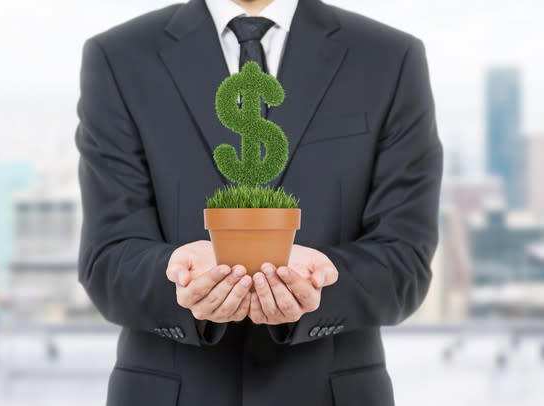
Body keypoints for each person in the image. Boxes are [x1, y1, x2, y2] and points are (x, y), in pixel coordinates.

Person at [74, 0, 443, 405]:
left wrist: (322, 284)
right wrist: (177, 278)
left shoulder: (388, 58)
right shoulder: (120, 57)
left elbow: (404, 259)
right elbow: (107, 259)